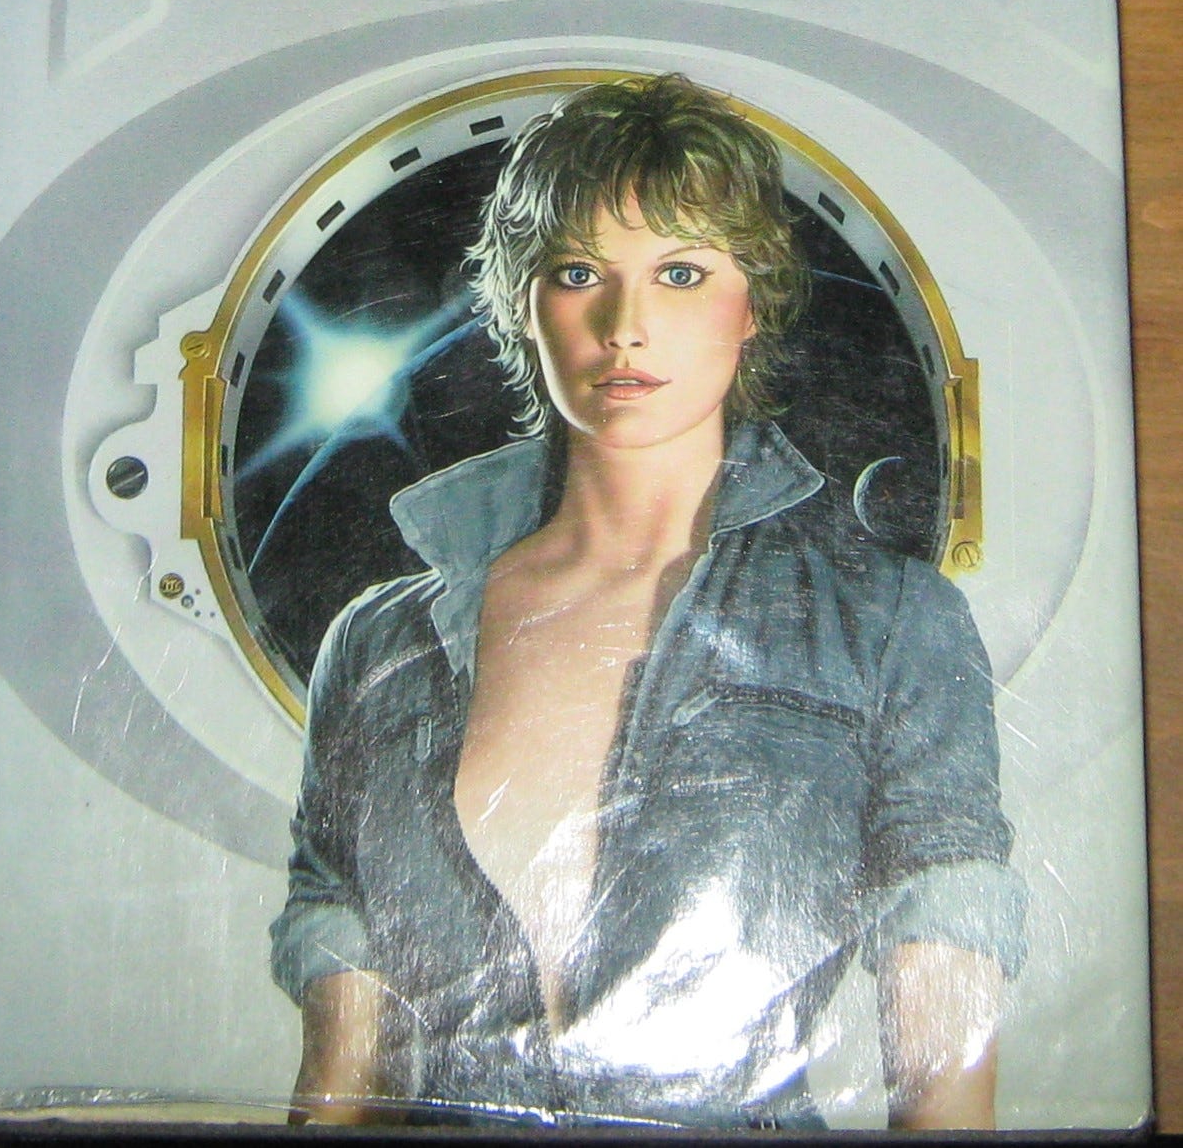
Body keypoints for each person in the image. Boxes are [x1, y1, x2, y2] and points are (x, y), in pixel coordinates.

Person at [270, 73, 1026, 1130]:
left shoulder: (891, 624)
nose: (625, 325)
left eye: (680, 272)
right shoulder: (378, 640)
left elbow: (946, 1066)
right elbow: (339, 1076)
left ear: (751, 301)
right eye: (580, 272)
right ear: (524, 302)